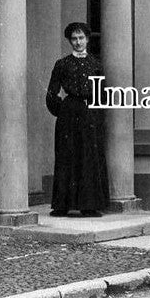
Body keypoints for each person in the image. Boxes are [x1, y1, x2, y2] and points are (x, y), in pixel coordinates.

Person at [46, 21, 110, 217]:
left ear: (87, 39)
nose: (78, 42)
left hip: (90, 113)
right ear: (69, 41)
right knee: (66, 157)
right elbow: (51, 93)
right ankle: (62, 205)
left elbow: (103, 94)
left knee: (89, 158)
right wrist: (64, 111)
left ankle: (89, 206)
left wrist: (96, 114)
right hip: (69, 114)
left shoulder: (96, 64)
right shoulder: (62, 64)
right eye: (74, 39)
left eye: (81, 38)